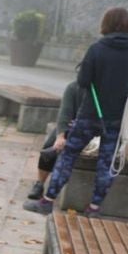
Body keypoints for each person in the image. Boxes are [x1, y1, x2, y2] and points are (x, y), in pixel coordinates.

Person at [25, 7, 128, 217]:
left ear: (106, 24)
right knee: (107, 163)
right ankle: (94, 208)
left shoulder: (97, 48)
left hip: (90, 114)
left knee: (68, 157)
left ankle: (47, 202)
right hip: (119, 119)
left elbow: (83, 82)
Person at [26, 73, 82, 201]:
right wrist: (61, 136)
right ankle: (39, 184)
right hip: (71, 125)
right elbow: (65, 113)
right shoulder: (74, 87)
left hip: (95, 129)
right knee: (49, 147)